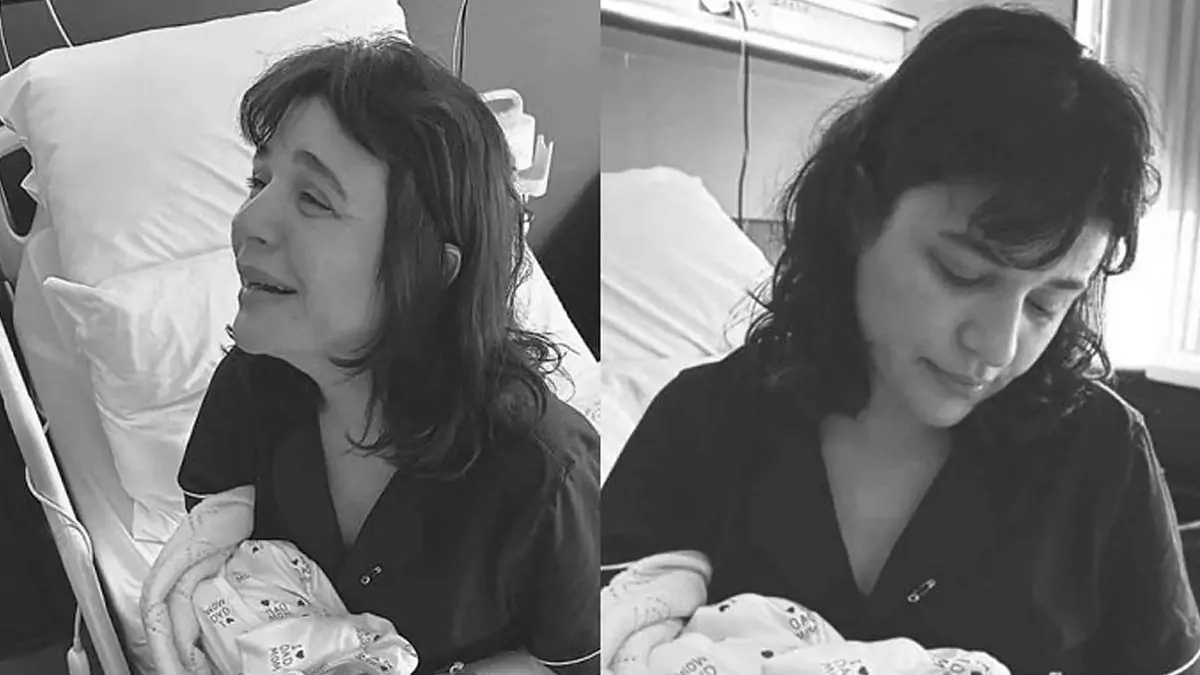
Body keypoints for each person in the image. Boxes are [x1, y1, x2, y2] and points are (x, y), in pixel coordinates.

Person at [602, 5, 1200, 673]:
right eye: (962, 274)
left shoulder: (1101, 456)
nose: (998, 347)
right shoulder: (700, 427)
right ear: (859, 214)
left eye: (1047, 303)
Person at [176, 33, 599, 675]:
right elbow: (212, 579)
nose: (248, 222)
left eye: (313, 199)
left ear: (427, 271)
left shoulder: (542, 473)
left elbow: (571, 662)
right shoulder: (252, 389)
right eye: (258, 181)